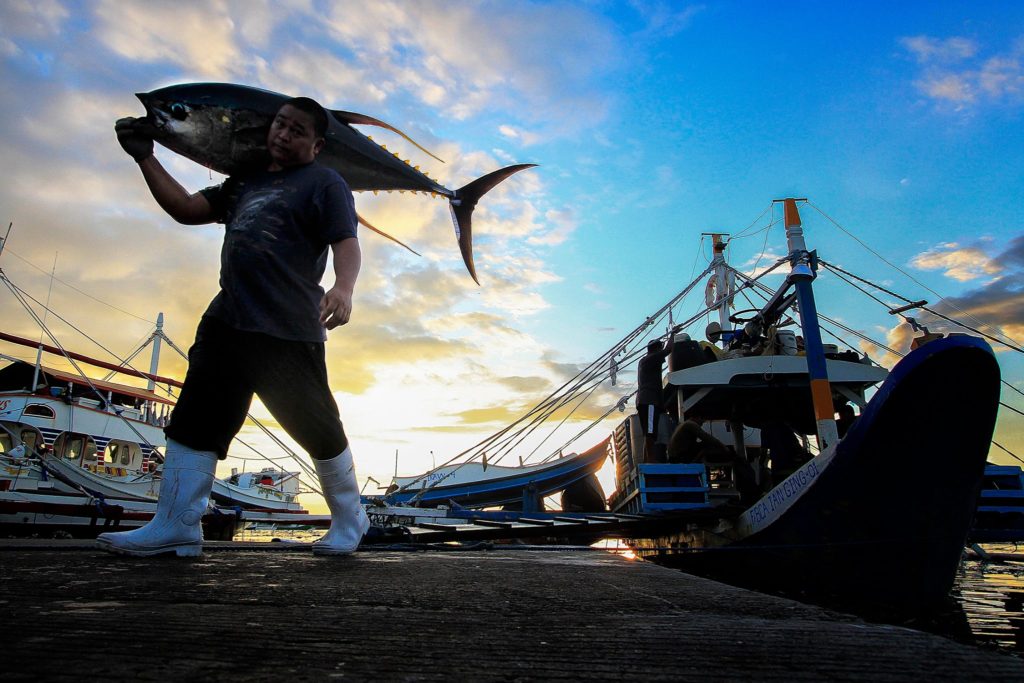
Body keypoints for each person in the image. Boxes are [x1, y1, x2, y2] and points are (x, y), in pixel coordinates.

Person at [97, 96, 368, 557]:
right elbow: (185, 208)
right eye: (280, 124)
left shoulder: (326, 183)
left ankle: (350, 517)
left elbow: (347, 241)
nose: (283, 134)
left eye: (297, 130)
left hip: (287, 328)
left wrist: (343, 289)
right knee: (195, 423)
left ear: (317, 144)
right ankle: (177, 525)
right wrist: (145, 157)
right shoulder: (245, 179)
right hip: (228, 322)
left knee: (316, 426)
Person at [635, 339, 672, 463]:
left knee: (649, 432)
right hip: (649, 401)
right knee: (650, 433)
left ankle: (648, 460)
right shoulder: (650, 359)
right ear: (656, 349)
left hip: (643, 401)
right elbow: (668, 350)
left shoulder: (644, 361)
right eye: (660, 348)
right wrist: (673, 333)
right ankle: (650, 461)